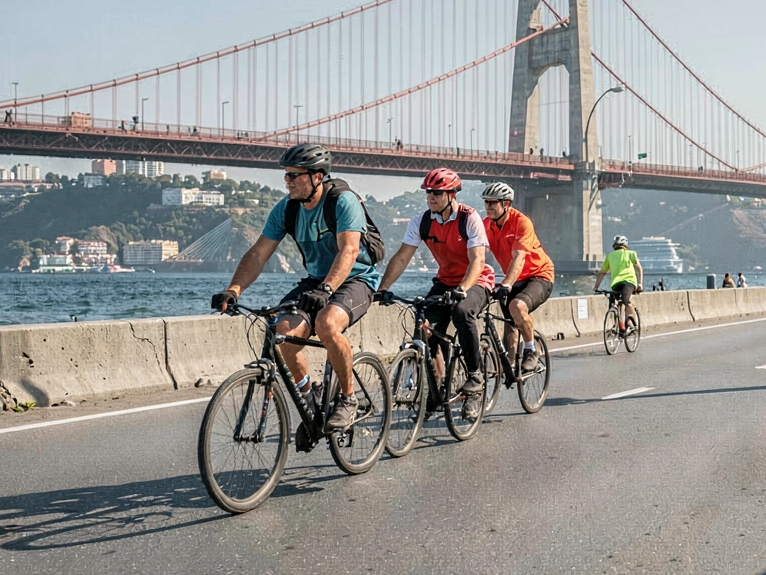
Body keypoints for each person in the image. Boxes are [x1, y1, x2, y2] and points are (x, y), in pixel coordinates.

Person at [211, 143, 380, 432]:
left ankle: (348, 398)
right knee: (282, 334)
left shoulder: (342, 201)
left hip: (356, 278)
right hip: (316, 282)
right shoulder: (287, 209)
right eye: (286, 175)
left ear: (317, 177)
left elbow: (349, 251)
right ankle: (310, 393)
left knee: (327, 324)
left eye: (294, 175)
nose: (287, 181)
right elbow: (258, 254)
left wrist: (327, 289)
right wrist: (234, 290)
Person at [376, 167, 494, 419]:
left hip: (476, 281)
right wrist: (383, 288)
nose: (431, 197)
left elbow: (477, 261)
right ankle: (438, 389)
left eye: (437, 193)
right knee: (424, 328)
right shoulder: (422, 221)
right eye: (429, 192)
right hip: (445, 281)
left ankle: (474, 380)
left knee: (463, 313)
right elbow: (402, 257)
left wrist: (462, 289)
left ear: (452, 195)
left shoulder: (468, 218)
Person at [480, 181, 554, 373]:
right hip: (513, 279)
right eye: (486, 202)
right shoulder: (486, 225)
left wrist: (506, 284)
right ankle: (508, 368)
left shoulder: (521, 222)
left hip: (539, 275)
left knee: (517, 307)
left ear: (507, 204)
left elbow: (519, 257)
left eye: (493, 203)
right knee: (509, 325)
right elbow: (475, 253)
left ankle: (531, 352)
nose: (488, 207)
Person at [594, 236, 643, 332]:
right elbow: (639, 269)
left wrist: (596, 287)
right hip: (629, 282)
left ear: (615, 245)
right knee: (623, 302)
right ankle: (624, 324)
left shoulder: (610, 256)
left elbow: (602, 273)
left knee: (620, 302)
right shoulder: (631, 254)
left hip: (617, 283)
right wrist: (640, 284)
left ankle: (624, 325)